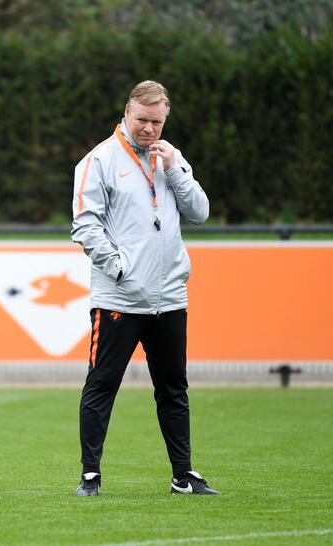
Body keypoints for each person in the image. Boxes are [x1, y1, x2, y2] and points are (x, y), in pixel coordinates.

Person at [70, 80, 218, 496]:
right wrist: (121, 271)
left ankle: (183, 475)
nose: (149, 129)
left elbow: (200, 212)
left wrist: (174, 168)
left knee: (173, 387)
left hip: (169, 296)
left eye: (157, 121)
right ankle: (90, 476)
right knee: (102, 385)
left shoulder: (170, 157)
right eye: (142, 120)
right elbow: (85, 226)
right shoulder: (98, 160)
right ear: (126, 113)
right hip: (119, 298)